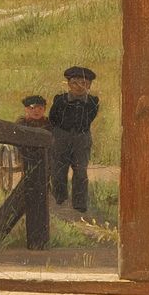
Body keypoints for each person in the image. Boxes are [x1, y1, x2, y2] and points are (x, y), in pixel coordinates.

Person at [48, 66, 99, 214]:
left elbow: (89, 118)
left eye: (83, 83)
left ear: (89, 85)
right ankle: (60, 197)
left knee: (80, 171)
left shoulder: (92, 102)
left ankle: (79, 203)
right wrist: (61, 133)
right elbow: (53, 118)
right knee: (58, 170)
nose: (79, 87)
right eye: (75, 83)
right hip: (61, 136)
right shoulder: (60, 100)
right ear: (69, 84)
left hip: (81, 138)